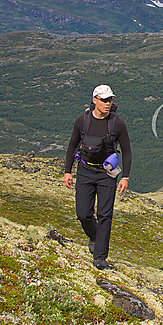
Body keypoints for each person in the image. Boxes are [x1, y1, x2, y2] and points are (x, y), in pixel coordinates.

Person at [63, 85, 131, 269]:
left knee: (105, 215)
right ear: (95, 100)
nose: (108, 104)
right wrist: (67, 171)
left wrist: (125, 176)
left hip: (107, 174)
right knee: (83, 213)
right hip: (85, 171)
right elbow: (72, 146)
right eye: (104, 100)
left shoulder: (117, 123)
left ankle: (100, 257)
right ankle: (94, 236)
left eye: (110, 100)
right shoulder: (82, 121)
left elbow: (126, 151)